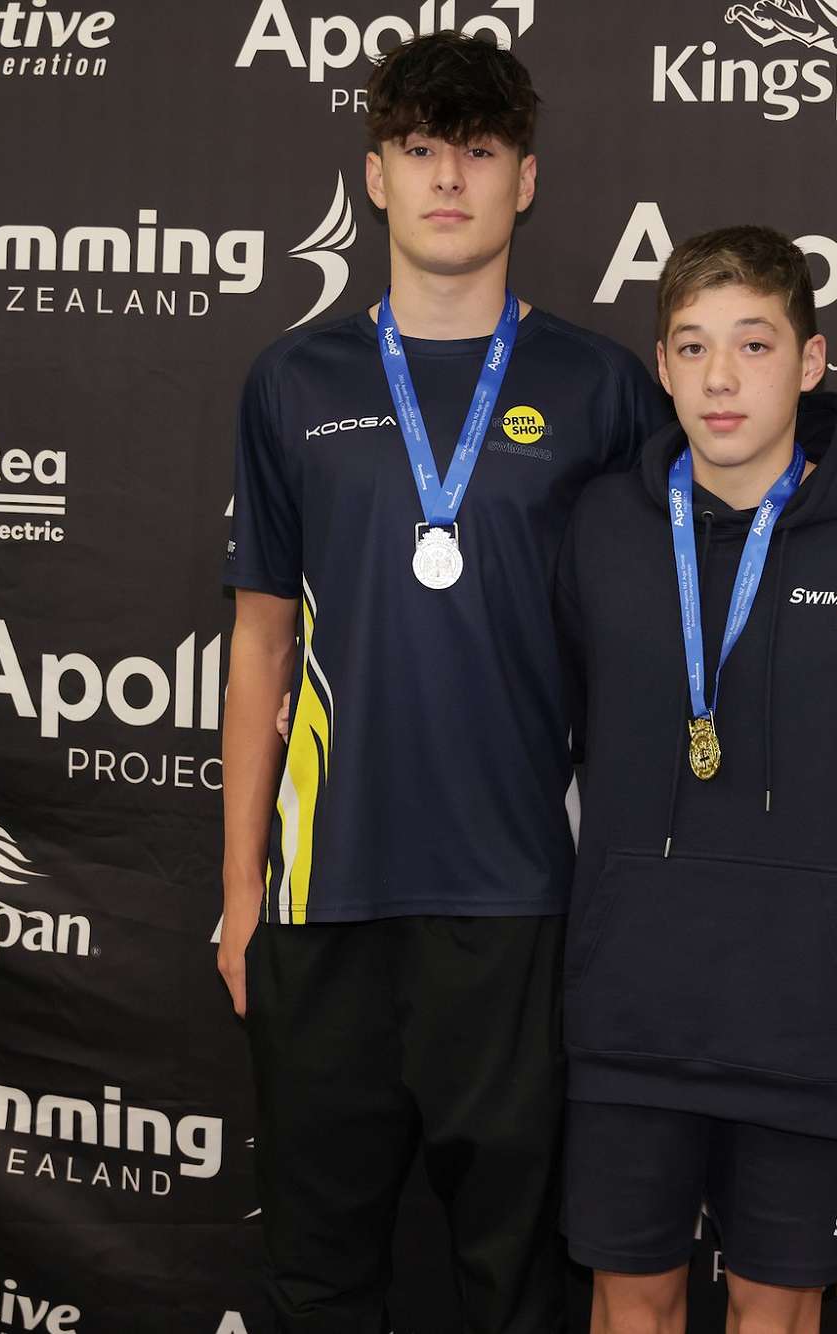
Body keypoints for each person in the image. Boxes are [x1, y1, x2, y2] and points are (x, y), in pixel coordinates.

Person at [217, 32, 666, 1333]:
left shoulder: (601, 389)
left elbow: (661, 648)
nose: (449, 179)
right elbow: (259, 643)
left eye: (479, 149)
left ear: (525, 178)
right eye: (420, 149)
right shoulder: (292, 380)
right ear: (375, 176)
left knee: (519, 1287)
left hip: (521, 905)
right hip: (326, 901)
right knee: (316, 1281)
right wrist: (240, 894)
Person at [552, 225, 837, 1334]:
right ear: (662, 364)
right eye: (691, 346)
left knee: (773, 1317)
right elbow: (545, 722)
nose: (720, 378)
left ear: (811, 360)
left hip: (813, 1022)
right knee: (631, 1306)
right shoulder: (600, 527)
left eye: (754, 344)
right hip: (632, 1014)